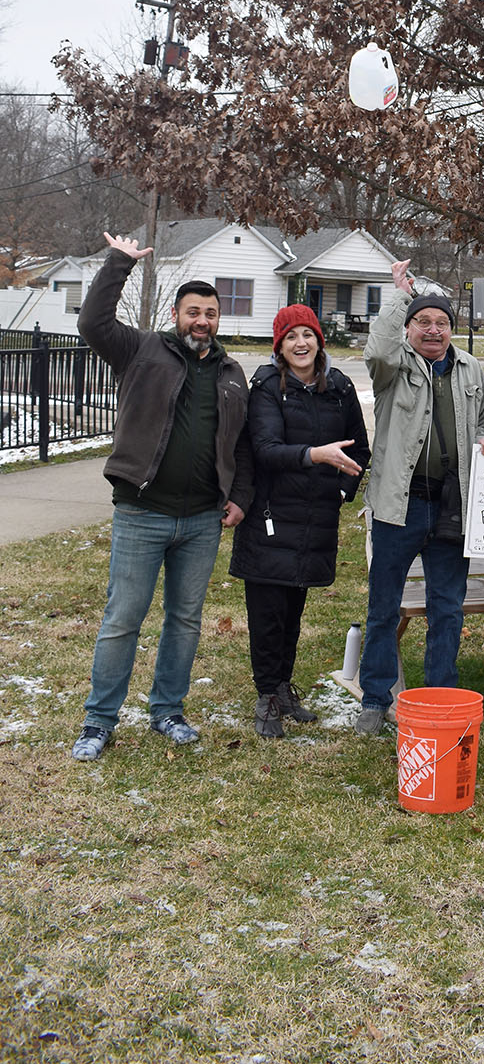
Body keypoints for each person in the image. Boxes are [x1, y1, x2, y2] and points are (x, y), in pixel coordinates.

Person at [71, 232, 254, 761]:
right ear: (176, 313)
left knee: (184, 619)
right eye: (193, 311)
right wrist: (119, 264)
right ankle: (99, 720)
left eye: (211, 313)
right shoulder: (139, 350)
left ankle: (168, 709)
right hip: (141, 513)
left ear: (219, 320)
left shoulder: (229, 372)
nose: (203, 320)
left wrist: (237, 495)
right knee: (123, 618)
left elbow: (241, 444)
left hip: (201, 520)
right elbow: (92, 324)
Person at [354, 261, 484, 735]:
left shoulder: (471, 368)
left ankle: (441, 697)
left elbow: (482, 422)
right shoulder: (393, 366)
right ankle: (376, 699)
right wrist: (400, 296)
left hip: (452, 506)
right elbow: (376, 347)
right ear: (410, 327)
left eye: (441, 322)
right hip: (400, 504)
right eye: (423, 321)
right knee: (384, 607)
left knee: (446, 608)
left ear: (451, 330)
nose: (433, 330)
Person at [230, 304, 369, 738]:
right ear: (279, 346)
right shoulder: (268, 386)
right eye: (291, 337)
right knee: (268, 612)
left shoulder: (340, 388)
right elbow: (266, 449)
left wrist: (343, 489)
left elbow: (360, 450)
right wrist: (316, 455)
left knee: (293, 609)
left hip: (316, 516)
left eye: (308, 334)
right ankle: (267, 695)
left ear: (319, 340)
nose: (301, 343)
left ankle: (284, 687)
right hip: (272, 515)